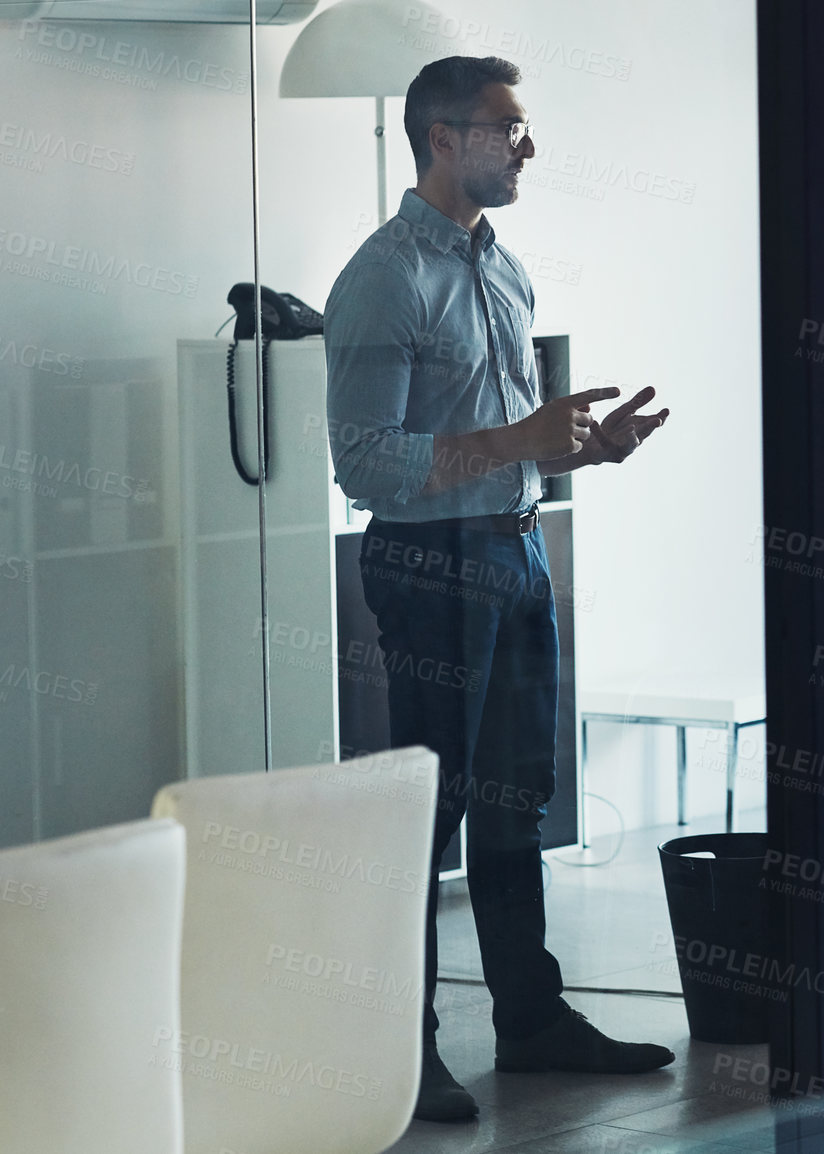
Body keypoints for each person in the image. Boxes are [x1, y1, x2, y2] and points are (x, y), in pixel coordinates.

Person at [324, 55, 674, 1124]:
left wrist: (582, 449)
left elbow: (508, 438)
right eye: (505, 128)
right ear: (442, 138)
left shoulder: (501, 265)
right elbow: (367, 464)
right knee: (427, 820)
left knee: (520, 798)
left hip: (516, 552)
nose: (526, 146)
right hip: (432, 568)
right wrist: (518, 438)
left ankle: (528, 1020)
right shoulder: (383, 276)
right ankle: (403, 1049)